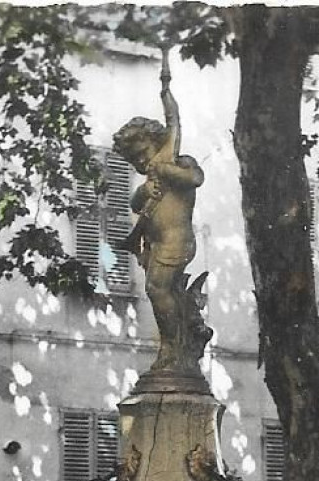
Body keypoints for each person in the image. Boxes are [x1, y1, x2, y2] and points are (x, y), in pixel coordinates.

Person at [112, 51, 211, 377]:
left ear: (156, 143)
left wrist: (167, 172)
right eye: (135, 161)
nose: (140, 163)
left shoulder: (177, 163)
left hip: (176, 241)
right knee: (162, 292)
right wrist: (145, 191)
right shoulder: (150, 180)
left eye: (142, 154)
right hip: (155, 245)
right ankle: (175, 344)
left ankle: (172, 348)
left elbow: (196, 178)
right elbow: (135, 203)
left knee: (157, 290)